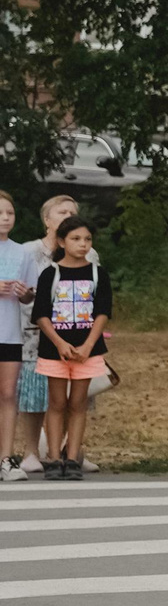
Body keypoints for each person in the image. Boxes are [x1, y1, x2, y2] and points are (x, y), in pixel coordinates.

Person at [32, 214, 111, 480]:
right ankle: (53, 458)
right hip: (56, 349)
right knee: (56, 402)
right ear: (62, 241)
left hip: (87, 350)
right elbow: (41, 314)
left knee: (78, 404)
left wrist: (89, 345)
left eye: (87, 239)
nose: (83, 244)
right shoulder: (50, 274)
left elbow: (103, 312)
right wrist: (60, 343)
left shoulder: (98, 274)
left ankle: (72, 458)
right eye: (76, 239)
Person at [20, 195, 87, 472]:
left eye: (72, 211)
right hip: (34, 332)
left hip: (76, 335)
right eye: (62, 212)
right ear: (47, 221)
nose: (68, 215)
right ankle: (31, 452)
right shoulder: (28, 252)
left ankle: (71, 451)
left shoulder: (88, 252)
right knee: (36, 395)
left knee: (77, 397)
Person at [0, 192, 33, 481]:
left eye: (9, 213)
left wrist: (25, 294)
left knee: (8, 394)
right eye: (0, 213)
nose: (5, 218)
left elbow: (30, 293)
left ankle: (6, 459)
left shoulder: (22, 252)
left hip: (10, 334)